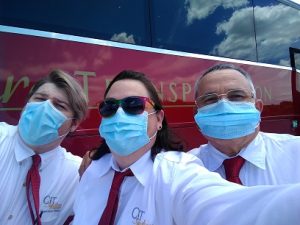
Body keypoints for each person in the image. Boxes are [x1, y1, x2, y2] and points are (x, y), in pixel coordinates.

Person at [73, 70, 300, 225]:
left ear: (159, 118)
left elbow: (231, 212)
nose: (120, 114)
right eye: (110, 107)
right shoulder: (91, 171)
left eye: (134, 105)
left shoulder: (178, 171)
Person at [0, 70, 88, 225]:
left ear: (74, 124)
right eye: (40, 99)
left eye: (59, 105)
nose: (45, 107)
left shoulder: (77, 174)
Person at [190, 63, 300, 185]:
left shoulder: (296, 153)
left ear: (257, 108)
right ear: (196, 113)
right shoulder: (184, 169)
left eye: (236, 96)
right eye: (210, 99)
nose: (224, 106)